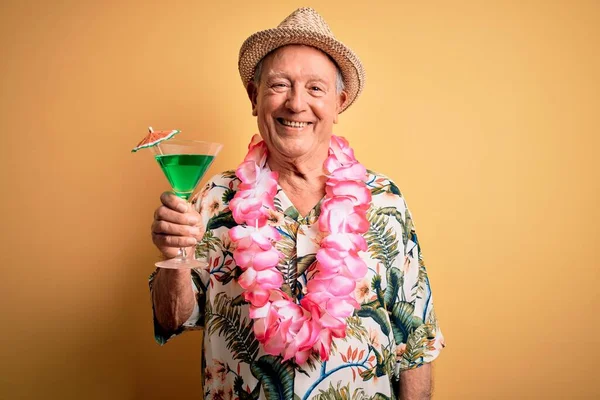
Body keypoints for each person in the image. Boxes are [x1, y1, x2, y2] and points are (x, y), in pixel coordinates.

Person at [149, 7, 444, 400]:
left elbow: (417, 346)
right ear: (255, 98)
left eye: (315, 88)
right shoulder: (214, 199)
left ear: (338, 104)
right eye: (279, 85)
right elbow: (172, 319)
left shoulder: (384, 200)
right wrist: (173, 255)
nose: (296, 103)